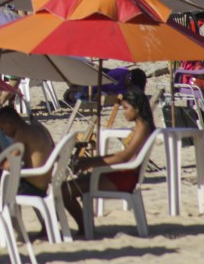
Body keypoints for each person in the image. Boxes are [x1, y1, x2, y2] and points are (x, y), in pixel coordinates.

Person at [62, 87, 155, 236]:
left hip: (124, 178)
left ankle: (83, 228)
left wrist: (92, 162)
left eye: (126, 108)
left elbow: (125, 156)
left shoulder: (143, 128)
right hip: (121, 174)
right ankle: (83, 226)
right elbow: (124, 155)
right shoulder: (142, 127)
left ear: (137, 108)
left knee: (64, 190)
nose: (124, 112)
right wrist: (94, 162)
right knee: (71, 185)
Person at [0, 107, 55, 198]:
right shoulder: (40, 129)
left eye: (2, 129)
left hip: (31, 187)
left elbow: (9, 166)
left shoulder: (22, 132)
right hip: (44, 184)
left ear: (9, 123)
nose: (4, 134)